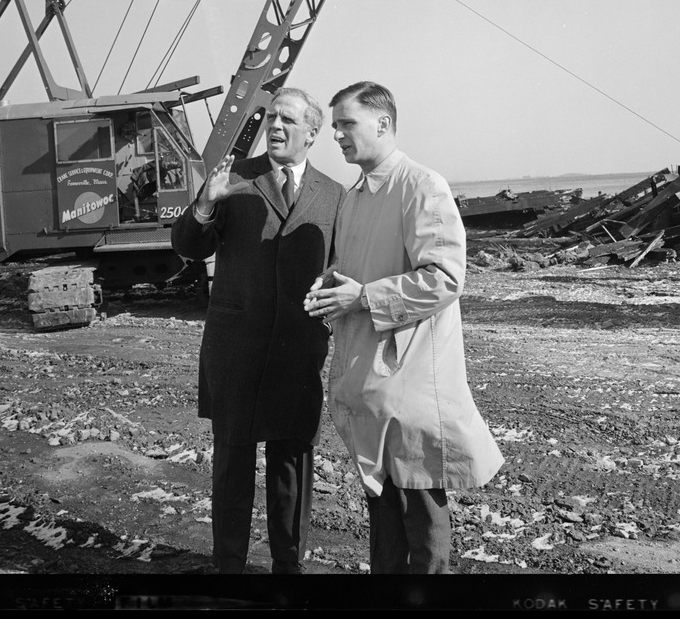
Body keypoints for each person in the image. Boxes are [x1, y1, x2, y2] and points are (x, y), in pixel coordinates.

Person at [304, 81, 503, 574]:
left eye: (347, 124)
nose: (338, 136)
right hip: (370, 382)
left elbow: (445, 277)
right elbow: (365, 267)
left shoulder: (421, 185)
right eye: (335, 127)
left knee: (421, 518)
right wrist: (335, 282)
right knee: (383, 515)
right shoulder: (354, 198)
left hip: (412, 382)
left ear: (384, 124)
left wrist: (364, 295)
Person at [171, 87, 344, 574]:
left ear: (311, 132)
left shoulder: (334, 195)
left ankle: (289, 571)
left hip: (297, 354)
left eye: (287, 119)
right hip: (236, 351)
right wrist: (206, 202)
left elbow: (340, 267)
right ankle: (229, 569)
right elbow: (187, 246)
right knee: (232, 469)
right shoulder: (235, 179)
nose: (274, 126)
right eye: (271, 117)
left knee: (292, 468)